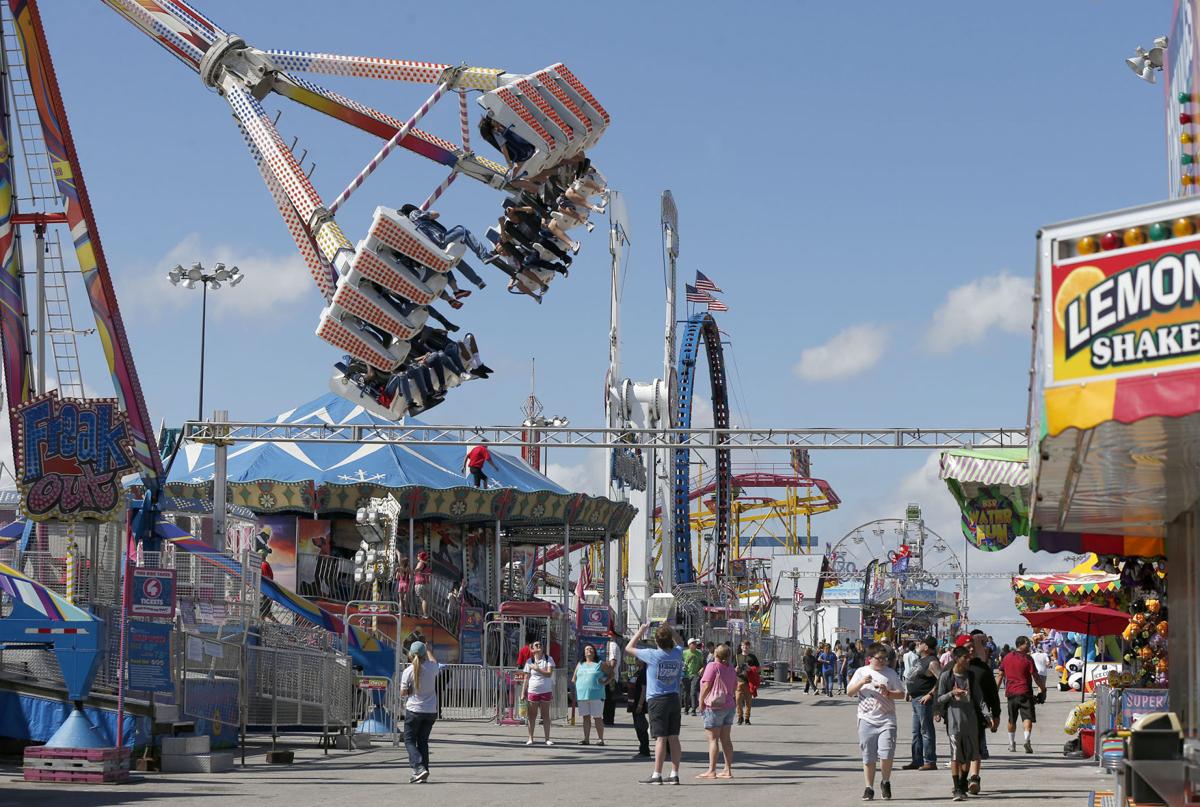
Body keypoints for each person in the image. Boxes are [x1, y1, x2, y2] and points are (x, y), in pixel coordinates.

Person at [626, 622, 685, 785]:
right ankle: (674, 773)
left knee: (660, 738)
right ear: (670, 640)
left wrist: (640, 631)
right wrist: (671, 629)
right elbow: (681, 643)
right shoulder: (677, 653)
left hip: (657, 699)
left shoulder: (652, 654)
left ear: (657, 641)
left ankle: (657, 774)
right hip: (674, 698)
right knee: (673, 737)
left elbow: (629, 648)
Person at [847, 642, 906, 802]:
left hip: (887, 719)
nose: (883, 661)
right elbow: (849, 692)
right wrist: (861, 683)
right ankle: (869, 787)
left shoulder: (891, 674)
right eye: (879, 658)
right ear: (870, 658)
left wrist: (888, 692)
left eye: (885, 658)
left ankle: (885, 782)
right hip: (866, 719)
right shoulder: (861, 672)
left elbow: (901, 694)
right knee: (868, 756)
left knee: (886, 753)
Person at [935, 646, 983, 801]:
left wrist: (988, 715)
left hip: (971, 721)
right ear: (957, 658)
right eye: (965, 658)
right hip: (954, 720)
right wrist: (952, 693)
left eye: (969, 657)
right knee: (955, 754)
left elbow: (980, 699)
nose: (968, 660)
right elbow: (939, 698)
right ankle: (956, 787)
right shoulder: (946, 676)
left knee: (968, 755)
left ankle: (963, 783)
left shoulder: (971, 676)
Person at [965, 631, 1001, 795]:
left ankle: (974, 778)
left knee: (976, 749)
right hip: (957, 716)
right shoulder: (952, 668)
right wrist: (939, 710)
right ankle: (961, 779)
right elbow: (942, 690)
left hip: (978, 715)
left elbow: (992, 692)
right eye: (968, 647)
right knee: (960, 752)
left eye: (973, 647)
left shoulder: (983, 668)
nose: (972, 650)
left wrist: (996, 714)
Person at [400, 640, 441, 783]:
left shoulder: (407, 671)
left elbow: (403, 692)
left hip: (414, 710)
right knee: (423, 741)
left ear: (410, 655)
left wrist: (412, 689)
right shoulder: (431, 668)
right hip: (430, 711)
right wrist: (429, 649)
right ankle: (423, 772)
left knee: (409, 740)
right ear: (425, 654)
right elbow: (434, 661)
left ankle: (418, 768)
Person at [998, 635, 1047, 754]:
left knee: (1012, 719)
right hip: (1025, 692)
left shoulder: (1007, 657)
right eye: (1027, 644)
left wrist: (995, 691)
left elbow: (1000, 675)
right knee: (1027, 717)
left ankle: (1011, 744)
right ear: (1021, 644)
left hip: (1011, 693)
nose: (1029, 646)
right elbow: (1035, 676)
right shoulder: (1028, 659)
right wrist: (1043, 689)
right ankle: (1026, 740)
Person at [695, 643, 737, 780]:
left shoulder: (712, 666)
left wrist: (700, 702)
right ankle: (727, 769)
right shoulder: (730, 668)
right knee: (726, 739)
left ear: (716, 655)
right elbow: (734, 685)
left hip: (714, 706)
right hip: (729, 705)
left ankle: (711, 770)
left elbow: (706, 685)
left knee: (713, 739)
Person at [902, 635, 942, 772]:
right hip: (915, 699)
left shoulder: (932, 662)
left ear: (926, 646)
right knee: (916, 732)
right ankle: (917, 760)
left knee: (926, 730)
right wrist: (908, 690)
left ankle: (930, 761)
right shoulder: (920, 660)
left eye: (920, 643)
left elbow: (941, 680)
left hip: (923, 700)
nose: (918, 645)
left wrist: (930, 694)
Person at [573, 644, 609, 745]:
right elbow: (574, 679)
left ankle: (600, 739)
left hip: (596, 695)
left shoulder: (600, 663)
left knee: (597, 717)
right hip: (582, 695)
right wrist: (576, 690)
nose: (589, 650)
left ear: (594, 651)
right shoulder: (580, 664)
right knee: (585, 717)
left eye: (591, 649)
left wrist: (605, 682)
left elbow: (611, 674)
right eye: (586, 649)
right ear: (584, 653)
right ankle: (586, 739)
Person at [521, 640, 556, 745]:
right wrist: (523, 692)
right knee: (532, 715)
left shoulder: (548, 659)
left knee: (545, 714)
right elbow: (526, 678)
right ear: (532, 649)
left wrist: (538, 669)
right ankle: (530, 738)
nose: (539, 646)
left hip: (546, 690)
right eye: (536, 645)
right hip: (533, 690)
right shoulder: (529, 661)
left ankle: (547, 739)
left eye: (541, 644)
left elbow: (549, 674)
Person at [627, 659, 651, 758]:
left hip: (639, 704)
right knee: (638, 726)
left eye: (638, 658)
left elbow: (644, 689)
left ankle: (645, 750)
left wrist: (640, 704)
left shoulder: (644, 672)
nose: (636, 660)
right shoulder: (638, 671)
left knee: (641, 727)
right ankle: (643, 749)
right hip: (634, 703)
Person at [734, 640, 760, 725]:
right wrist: (736, 669)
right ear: (741, 647)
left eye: (747, 646)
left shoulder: (752, 657)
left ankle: (747, 718)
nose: (745, 647)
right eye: (743, 646)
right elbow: (731, 669)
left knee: (748, 701)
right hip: (739, 681)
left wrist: (750, 669)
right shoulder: (737, 657)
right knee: (738, 700)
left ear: (749, 647)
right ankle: (740, 717)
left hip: (749, 682)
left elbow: (758, 668)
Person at [603, 629, 623, 726]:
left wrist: (604, 669)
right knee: (608, 699)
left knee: (609, 700)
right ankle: (607, 719)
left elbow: (613, 663)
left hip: (611, 678)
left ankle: (608, 720)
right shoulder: (610, 645)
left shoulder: (612, 645)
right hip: (610, 677)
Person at [682, 638, 705, 717]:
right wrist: (683, 666)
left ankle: (693, 709)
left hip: (695, 675)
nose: (695, 644)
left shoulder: (699, 653)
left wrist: (702, 668)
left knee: (693, 692)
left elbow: (703, 664)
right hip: (685, 675)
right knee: (686, 693)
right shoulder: (684, 653)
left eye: (695, 643)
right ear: (689, 645)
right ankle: (686, 708)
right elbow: (680, 662)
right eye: (693, 643)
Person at [259, 551, 275, 621]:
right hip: (265, 592)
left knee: (263, 613)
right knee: (263, 614)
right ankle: (262, 628)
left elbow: (267, 579)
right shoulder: (265, 564)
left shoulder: (264, 565)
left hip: (265, 592)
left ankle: (279, 625)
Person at [414, 551, 431, 617]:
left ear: (420, 557)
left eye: (418, 556)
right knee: (424, 599)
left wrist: (413, 571)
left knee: (423, 600)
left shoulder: (421, 563)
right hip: (423, 583)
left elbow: (417, 569)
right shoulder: (425, 564)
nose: (417, 557)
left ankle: (424, 614)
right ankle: (424, 614)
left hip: (420, 583)